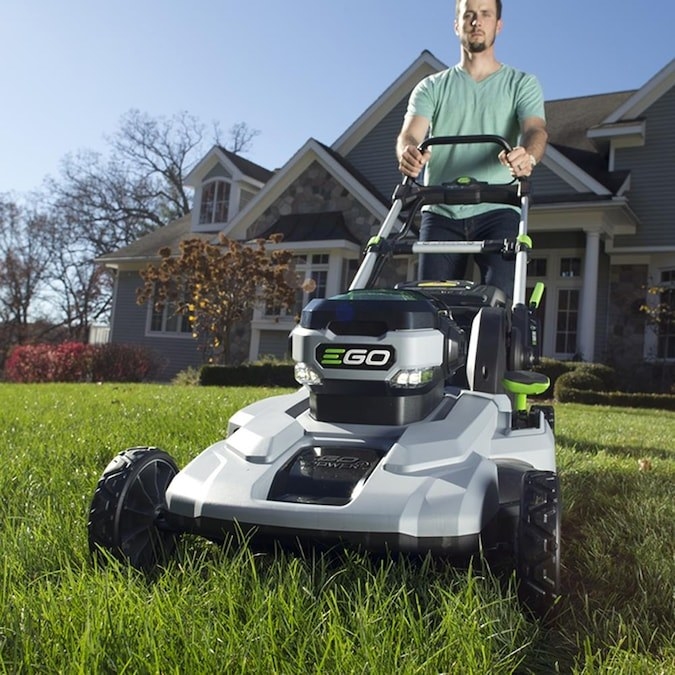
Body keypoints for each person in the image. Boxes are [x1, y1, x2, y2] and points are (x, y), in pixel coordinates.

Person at [396, 0, 548, 299]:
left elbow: (535, 130)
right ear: (457, 25)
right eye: (469, 15)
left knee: (500, 300)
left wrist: (527, 155)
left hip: (498, 208)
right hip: (440, 209)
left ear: (498, 25)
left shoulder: (522, 83)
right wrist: (409, 153)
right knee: (431, 305)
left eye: (485, 15)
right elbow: (409, 135)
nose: (476, 22)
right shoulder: (431, 87)